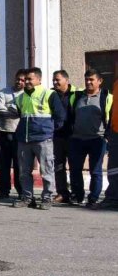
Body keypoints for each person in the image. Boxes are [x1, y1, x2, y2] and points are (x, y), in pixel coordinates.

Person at [13, 67, 66, 210]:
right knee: (24, 172)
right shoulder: (20, 97)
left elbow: (60, 116)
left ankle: (47, 198)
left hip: (43, 139)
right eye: (26, 79)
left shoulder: (49, 94)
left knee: (46, 170)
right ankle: (27, 198)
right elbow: (21, 115)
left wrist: (48, 131)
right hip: (24, 140)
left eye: (30, 79)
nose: (27, 82)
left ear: (39, 79)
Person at [67, 70, 112, 208]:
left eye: (91, 79)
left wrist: (108, 138)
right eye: (86, 79)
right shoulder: (77, 96)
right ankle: (78, 195)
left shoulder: (107, 97)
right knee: (75, 169)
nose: (88, 82)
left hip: (97, 139)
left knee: (96, 171)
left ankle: (93, 198)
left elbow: (110, 119)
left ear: (100, 81)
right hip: (77, 139)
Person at [0, 69, 26, 199]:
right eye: (18, 79)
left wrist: (14, 110)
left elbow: (23, 111)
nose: (19, 82)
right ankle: (3, 190)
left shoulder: (26, 95)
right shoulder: (4, 91)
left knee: (19, 164)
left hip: (18, 133)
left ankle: (21, 191)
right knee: (3, 164)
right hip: (3, 131)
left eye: (23, 80)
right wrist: (14, 111)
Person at [51, 70, 76, 203]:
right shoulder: (51, 94)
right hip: (57, 136)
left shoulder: (76, 94)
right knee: (58, 166)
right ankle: (62, 193)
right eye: (53, 80)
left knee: (74, 166)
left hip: (73, 136)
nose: (55, 82)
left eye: (57, 80)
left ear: (66, 80)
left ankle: (76, 193)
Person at [102, 76, 118, 209]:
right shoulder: (117, 83)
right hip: (115, 132)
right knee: (113, 168)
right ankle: (112, 197)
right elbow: (114, 108)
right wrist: (109, 129)